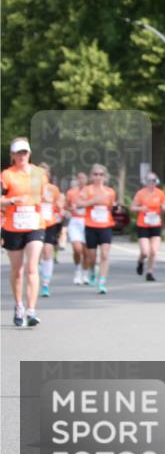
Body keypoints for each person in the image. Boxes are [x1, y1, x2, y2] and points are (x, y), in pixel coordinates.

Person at [1, 137, 47, 326]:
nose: (22, 156)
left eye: (24, 152)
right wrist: (12, 200)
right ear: (12, 155)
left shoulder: (38, 174)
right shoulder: (7, 175)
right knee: (17, 271)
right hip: (13, 226)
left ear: (29, 154)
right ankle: (19, 305)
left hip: (35, 224)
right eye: (18, 153)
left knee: (31, 267)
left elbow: (41, 197)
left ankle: (31, 310)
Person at [77, 164, 116, 294]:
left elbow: (111, 206)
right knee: (92, 257)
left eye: (101, 174)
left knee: (105, 255)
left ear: (105, 177)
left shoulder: (110, 191)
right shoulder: (87, 190)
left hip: (105, 226)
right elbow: (78, 205)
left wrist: (115, 207)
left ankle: (102, 282)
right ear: (91, 176)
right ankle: (92, 270)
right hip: (91, 226)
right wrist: (93, 201)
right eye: (95, 174)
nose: (98, 177)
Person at [131, 172, 165, 281]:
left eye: (154, 181)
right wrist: (140, 209)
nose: (152, 183)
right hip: (143, 224)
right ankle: (140, 261)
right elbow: (132, 207)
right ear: (146, 182)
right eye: (150, 181)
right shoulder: (140, 194)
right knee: (145, 252)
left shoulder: (160, 194)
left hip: (156, 224)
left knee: (153, 251)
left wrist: (164, 208)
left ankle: (150, 272)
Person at [36, 162, 64, 298]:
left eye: (45, 173)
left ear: (48, 175)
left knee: (47, 251)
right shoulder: (32, 188)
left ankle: (45, 284)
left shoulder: (53, 189)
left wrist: (57, 204)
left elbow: (59, 204)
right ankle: (38, 273)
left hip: (50, 222)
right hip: (35, 222)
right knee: (37, 252)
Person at [65, 171, 89, 285]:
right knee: (77, 249)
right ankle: (77, 270)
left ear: (86, 179)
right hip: (75, 221)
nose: (81, 180)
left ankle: (85, 273)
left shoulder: (90, 191)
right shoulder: (71, 192)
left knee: (86, 251)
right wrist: (71, 208)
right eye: (79, 178)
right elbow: (66, 205)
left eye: (83, 178)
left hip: (87, 221)